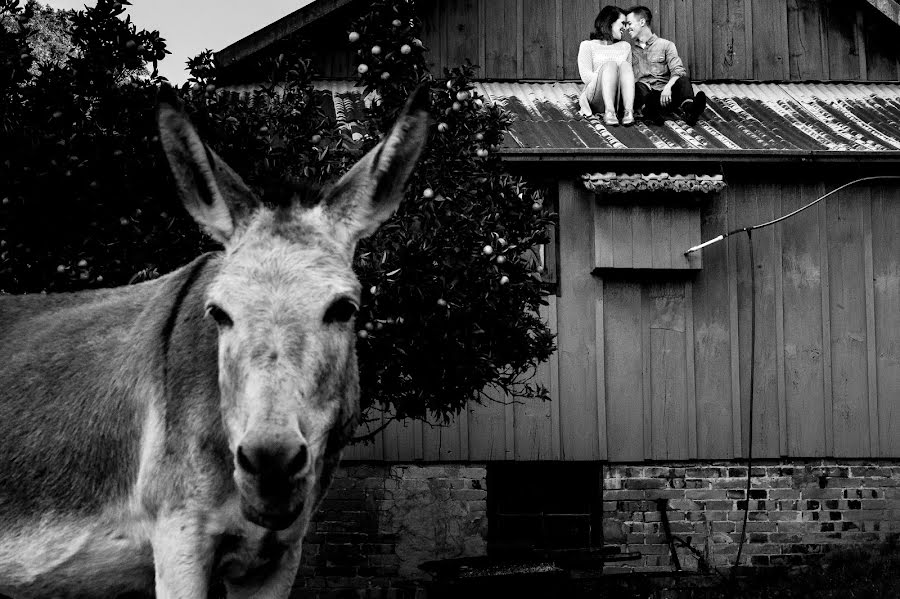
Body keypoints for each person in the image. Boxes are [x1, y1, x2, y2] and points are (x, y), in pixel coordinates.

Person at [625, 5, 706, 126]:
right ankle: (651, 112)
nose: (627, 28)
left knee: (683, 80)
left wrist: (668, 87)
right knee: (638, 86)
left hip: (667, 96)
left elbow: (678, 70)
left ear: (642, 22)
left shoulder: (666, 45)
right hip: (647, 98)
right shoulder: (629, 51)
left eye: (629, 23)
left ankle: (691, 110)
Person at [577, 6, 635, 126]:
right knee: (610, 65)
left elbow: (629, 76)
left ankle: (628, 111)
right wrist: (608, 73)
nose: (626, 28)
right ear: (609, 23)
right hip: (596, 95)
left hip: (618, 97)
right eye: (623, 23)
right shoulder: (587, 45)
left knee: (625, 66)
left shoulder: (625, 46)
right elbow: (586, 77)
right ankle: (609, 112)